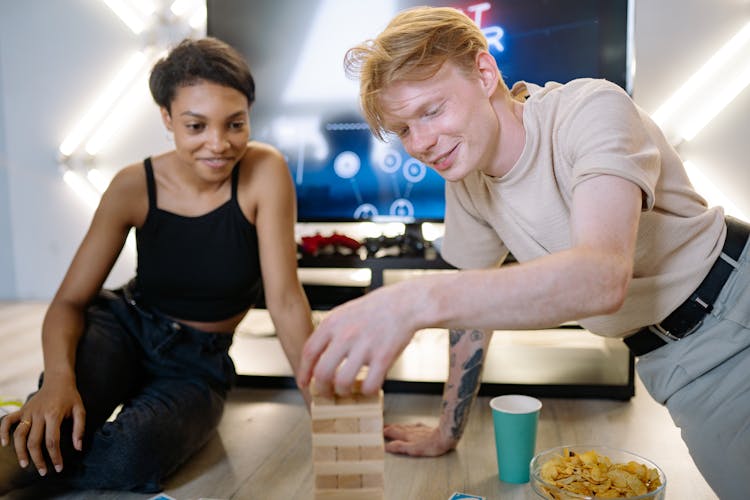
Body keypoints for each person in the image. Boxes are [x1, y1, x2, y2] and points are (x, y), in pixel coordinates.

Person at [297, 6, 750, 499]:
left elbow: (601, 276)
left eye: (432, 110)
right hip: (670, 363)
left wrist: (414, 301)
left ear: (485, 73)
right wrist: (446, 430)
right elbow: (470, 320)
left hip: (736, 304)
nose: (422, 143)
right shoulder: (466, 181)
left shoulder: (590, 108)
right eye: (404, 129)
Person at [0, 37, 313, 494]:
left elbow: (285, 301)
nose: (219, 144)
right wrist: (58, 383)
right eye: (196, 125)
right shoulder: (133, 185)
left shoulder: (265, 171)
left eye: (235, 124)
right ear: (167, 118)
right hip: (122, 328)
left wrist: (324, 406)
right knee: (50, 429)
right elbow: (69, 302)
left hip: (197, 364)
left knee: (128, 458)